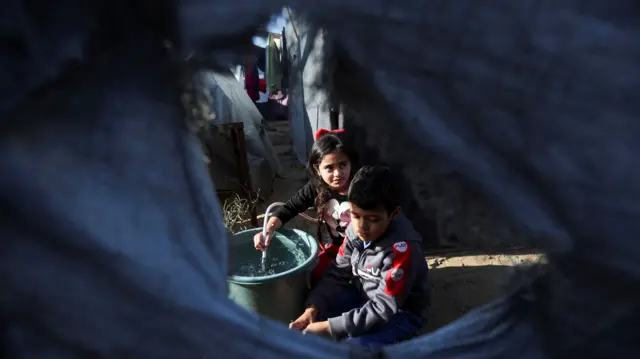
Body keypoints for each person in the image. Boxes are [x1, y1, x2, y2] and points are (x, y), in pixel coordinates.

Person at [289, 166, 430, 348]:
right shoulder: (354, 231)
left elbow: (383, 308)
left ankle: (404, 339)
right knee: (315, 305)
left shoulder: (401, 251)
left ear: (393, 214)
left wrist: (328, 327)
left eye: (373, 219)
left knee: (355, 348)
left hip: (399, 313)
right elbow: (337, 273)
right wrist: (312, 308)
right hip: (363, 295)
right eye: (356, 216)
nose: (362, 227)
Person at [254, 128, 358, 284]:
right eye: (329, 168)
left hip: (365, 251)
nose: (337, 174)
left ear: (351, 163)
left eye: (343, 165)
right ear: (317, 169)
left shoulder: (361, 186)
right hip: (339, 249)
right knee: (316, 277)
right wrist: (267, 230)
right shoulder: (316, 187)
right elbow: (288, 209)